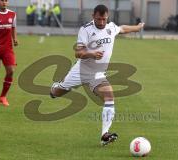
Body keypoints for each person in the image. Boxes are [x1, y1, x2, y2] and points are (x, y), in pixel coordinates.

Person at [50, 4, 144, 145]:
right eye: (99, 19)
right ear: (93, 16)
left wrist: (137, 27)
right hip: (81, 70)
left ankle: (104, 135)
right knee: (57, 93)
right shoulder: (86, 30)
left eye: (104, 19)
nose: (101, 22)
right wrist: (91, 53)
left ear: (107, 18)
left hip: (97, 73)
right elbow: (78, 52)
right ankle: (55, 88)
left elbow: (123, 28)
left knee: (109, 95)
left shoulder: (110, 27)